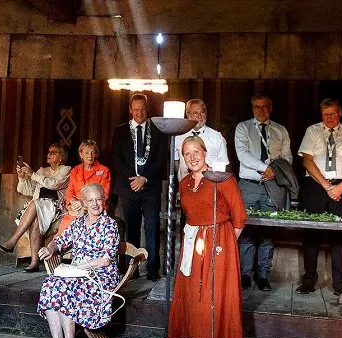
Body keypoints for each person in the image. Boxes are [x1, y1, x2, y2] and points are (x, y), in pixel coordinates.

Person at [168, 136, 247, 338]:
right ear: (182, 158)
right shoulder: (184, 183)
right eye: (187, 154)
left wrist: (223, 241)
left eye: (196, 152)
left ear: (205, 153)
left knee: (214, 293)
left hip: (219, 241)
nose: (192, 157)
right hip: (193, 242)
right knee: (194, 293)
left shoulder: (222, 178)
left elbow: (239, 216)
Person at [37, 183, 120, 338]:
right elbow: (60, 240)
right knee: (50, 286)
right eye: (90, 200)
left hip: (100, 276)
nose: (95, 204)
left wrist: (81, 266)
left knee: (67, 290)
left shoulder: (110, 225)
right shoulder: (79, 222)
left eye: (98, 199)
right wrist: (50, 248)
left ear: (104, 200)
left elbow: (106, 260)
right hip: (76, 274)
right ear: (83, 202)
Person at [296, 98, 342, 296]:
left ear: (340, 112)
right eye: (325, 114)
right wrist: (326, 186)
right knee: (311, 235)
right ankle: (309, 281)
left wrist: (341, 187)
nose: (329, 118)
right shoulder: (312, 131)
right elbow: (307, 161)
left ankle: (339, 284)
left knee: (339, 236)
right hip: (316, 186)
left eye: (333, 113)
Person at [235, 93, 292, 291]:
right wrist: (263, 167)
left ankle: (263, 276)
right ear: (252, 109)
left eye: (265, 106)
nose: (261, 110)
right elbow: (242, 155)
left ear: (271, 107)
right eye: (257, 107)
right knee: (247, 231)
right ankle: (245, 274)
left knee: (268, 231)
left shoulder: (280, 130)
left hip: (272, 185)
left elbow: (287, 158)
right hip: (249, 184)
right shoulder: (243, 127)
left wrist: (274, 171)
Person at [112, 94, 168, 281]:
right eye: (135, 109)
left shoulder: (158, 130)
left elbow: (161, 159)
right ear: (130, 109)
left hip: (150, 188)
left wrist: (144, 178)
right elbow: (117, 159)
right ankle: (132, 270)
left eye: (142, 109)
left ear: (147, 108)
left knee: (152, 228)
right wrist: (133, 180)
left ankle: (153, 270)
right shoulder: (120, 131)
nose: (139, 113)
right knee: (132, 229)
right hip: (128, 189)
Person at [0, 144, 71, 272]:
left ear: (61, 157)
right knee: (35, 219)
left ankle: (12, 240)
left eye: (53, 152)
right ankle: (34, 262)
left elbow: (54, 184)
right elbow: (27, 190)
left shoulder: (66, 170)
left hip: (56, 209)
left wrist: (33, 175)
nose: (49, 154)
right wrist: (22, 176)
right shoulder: (42, 171)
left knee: (35, 203)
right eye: (48, 151)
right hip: (40, 208)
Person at [56, 140, 110, 235]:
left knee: (81, 222)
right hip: (76, 208)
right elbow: (69, 192)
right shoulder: (75, 170)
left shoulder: (104, 170)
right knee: (62, 231)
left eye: (93, 152)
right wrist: (72, 203)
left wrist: (83, 203)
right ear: (81, 154)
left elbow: (104, 194)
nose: (90, 155)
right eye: (87, 152)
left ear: (96, 154)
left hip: (96, 207)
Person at [174, 98, 229, 181]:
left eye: (202, 112)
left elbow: (223, 165)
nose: (200, 116)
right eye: (195, 113)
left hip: (209, 187)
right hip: (185, 186)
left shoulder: (217, 137)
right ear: (188, 114)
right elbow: (176, 161)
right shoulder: (178, 135)